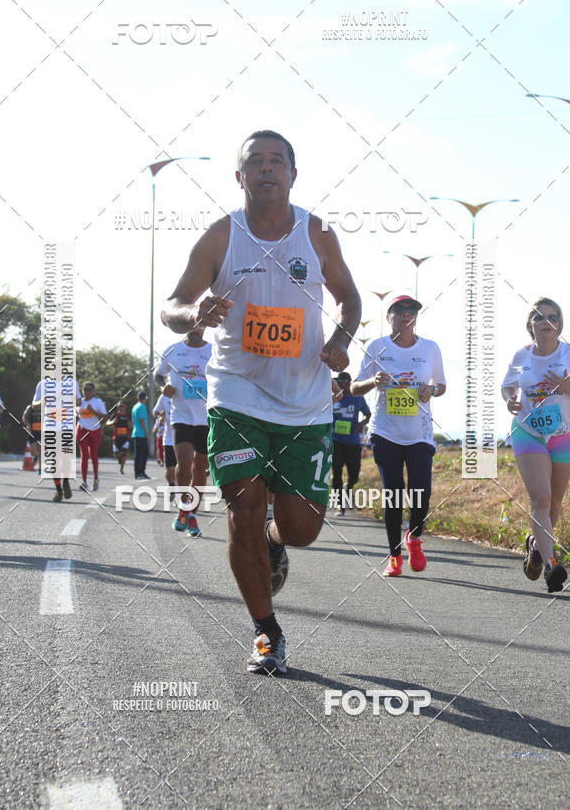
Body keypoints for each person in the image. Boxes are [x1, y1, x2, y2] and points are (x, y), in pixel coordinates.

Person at [161, 129, 361, 674]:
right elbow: (174, 304)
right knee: (242, 508)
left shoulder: (316, 233)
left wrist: (341, 340)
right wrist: (192, 317)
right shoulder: (221, 237)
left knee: (302, 529)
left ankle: (277, 539)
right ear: (240, 176)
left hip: (306, 401)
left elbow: (349, 296)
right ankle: (266, 631)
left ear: (293, 174)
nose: (267, 169)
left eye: (278, 161)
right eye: (256, 161)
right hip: (237, 393)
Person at [351, 295, 446, 577]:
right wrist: (373, 381)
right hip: (385, 432)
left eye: (412, 311)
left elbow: (441, 385)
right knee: (393, 495)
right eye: (401, 311)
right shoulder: (377, 347)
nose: (407, 315)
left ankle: (414, 539)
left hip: (419, 433)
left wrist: (432, 390)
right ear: (389, 316)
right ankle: (394, 557)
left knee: (422, 493)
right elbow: (355, 387)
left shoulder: (430, 348)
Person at [501, 298, 569, 593]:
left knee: (554, 501)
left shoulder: (568, 353)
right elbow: (508, 384)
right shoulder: (521, 355)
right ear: (531, 324)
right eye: (540, 316)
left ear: (560, 322)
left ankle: (536, 547)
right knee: (540, 499)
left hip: (563, 433)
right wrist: (509, 398)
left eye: (553, 316)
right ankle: (552, 566)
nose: (547, 320)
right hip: (528, 431)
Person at [154, 325, 211, 537]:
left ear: (205, 327)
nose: (195, 330)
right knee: (184, 461)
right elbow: (158, 375)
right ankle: (183, 505)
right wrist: (162, 387)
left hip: (206, 417)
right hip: (181, 415)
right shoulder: (173, 350)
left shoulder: (213, 351)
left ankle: (191, 514)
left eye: (199, 326)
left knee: (200, 467)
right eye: (191, 326)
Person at [32, 377, 81, 502]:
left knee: (65, 458)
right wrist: (43, 400)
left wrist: (72, 398)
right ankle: (58, 489)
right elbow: (34, 405)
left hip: (66, 426)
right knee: (53, 459)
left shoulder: (71, 383)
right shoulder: (42, 384)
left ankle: (65, 481)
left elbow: (79, 402)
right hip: (50, 426)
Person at [331, 371, 370, 517]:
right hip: (335, 440)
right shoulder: (334, 397)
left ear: (348, 382)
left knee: (354, 474)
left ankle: (349, 486)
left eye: (341, 382)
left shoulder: (358, 398)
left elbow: (368, 414)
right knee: (337, 473)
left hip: (353, 441)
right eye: (337, 381)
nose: (338, 384)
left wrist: (361, 424)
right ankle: (340, 505)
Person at [76, 382, 107, 492]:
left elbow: (105, 417)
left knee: (93, 455)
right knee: (84, 455)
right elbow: (75, 414)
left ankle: (95, 478)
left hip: (95, 431)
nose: (87, 392)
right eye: (85, 389)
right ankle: (84, 481)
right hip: (82, 430)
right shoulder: (79, 402)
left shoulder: (97, 402)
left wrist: (93, 411)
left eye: (89, 390)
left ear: (93, 391)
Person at [153, 391, 177, 490]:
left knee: (184, 467)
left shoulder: (187, 392)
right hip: (168, 439)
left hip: (183, 437)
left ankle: (181, 492)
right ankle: (171, 484)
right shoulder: (164, 396)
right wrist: (160, 417)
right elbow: (155, 412)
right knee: (170, 470)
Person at [106, 400, 131, 474]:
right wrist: (112, 422)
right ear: (117, 407)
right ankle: (119, 458)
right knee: (116, 454)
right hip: (116, 437)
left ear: (125, 407)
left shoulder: (127, 416)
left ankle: (122, 468)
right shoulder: (115, 415)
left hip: (125, 437)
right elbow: (107, 423)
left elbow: (131, 426)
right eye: (119, 406)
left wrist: (129, 425)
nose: (121, 408)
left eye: (122, 406)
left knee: (124, 453)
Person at [132, 391, 149, 480]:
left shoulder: (134, 407)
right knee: (145, 453)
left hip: (135, 432)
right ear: (144, 398)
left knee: (137, 454)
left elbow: (133, 421)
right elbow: (142, 420)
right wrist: (147, 433)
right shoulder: (142, 407)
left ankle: (136, 472)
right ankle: (141, 472)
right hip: (141, 433)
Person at [22, 402, 42, 475]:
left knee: (40, 448)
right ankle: (35, 456)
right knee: (32, 450)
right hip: (32, 431)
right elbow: (24, 417)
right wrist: (28, 425)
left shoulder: (46, 407)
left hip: (42, 431)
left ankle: (40, 469)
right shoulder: (30, 408)